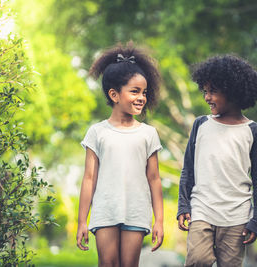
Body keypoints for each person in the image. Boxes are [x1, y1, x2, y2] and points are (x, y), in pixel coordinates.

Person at [76, 43, 164, 267]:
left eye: (144, 92)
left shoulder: (148, 134)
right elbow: (89, 178)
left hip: (137, 211)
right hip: (105, 209)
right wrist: (81, 222)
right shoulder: (97, 132)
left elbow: (154, 179)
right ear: (114, 94)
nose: (141, 97)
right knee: (107, 264)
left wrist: (159, 221)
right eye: (135, 91)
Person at [177, 54, 257, 267]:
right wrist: (183, 205)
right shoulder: (200, 125)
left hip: (236, 216)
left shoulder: (254, 131)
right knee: (198, 260)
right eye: (205, 91)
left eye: (213, 91)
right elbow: (188, 170)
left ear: (233, 91)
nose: (207, 97)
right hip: (202, 209)